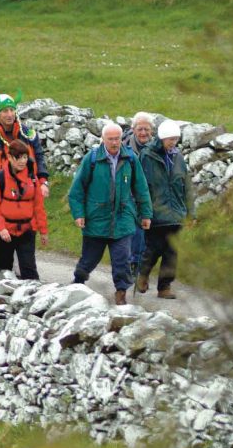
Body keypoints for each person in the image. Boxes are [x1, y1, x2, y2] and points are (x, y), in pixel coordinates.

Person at [68, 122, 152, 305]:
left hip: (123, 220)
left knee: (122, 260)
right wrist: (79, 214)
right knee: (88, 260)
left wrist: (146, 215)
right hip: (96, 219)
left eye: (117, 139)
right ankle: (77, 284)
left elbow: (141, 188)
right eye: (111, 139)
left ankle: (121, 293)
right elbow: (76, 191)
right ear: (103, 139)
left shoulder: (130, 159)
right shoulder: (91, 160)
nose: (115, 143)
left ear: (122, 139)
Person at [137, 118, 195, 300]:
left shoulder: (178, 158)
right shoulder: (147, 156)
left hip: (176, 213)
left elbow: (187, 186)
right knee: (153, 249)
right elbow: (141, 186)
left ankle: (164, 287)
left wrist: (191, 213)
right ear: (162, 138)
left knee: (172, 252)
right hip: (155, 213)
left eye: (176, 139)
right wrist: (143, 212)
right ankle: (143, 275)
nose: (173, 143)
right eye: (170, 139)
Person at [0, 90, 49, 217]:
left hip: (27, 197)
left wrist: (43, 182)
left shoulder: (28, 134)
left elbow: (39, 158)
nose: (9, 114)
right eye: (5, 111)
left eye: (12, 110)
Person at [0, 138, 48, 280]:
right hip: (3, 233)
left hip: (26, 231)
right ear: (9, 157)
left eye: (25, 157)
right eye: (18, 157)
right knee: (1, 274)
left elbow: (38, 207)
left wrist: (43, 230)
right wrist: (1, 228)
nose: (22, 161)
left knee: (29, 272)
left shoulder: (32, 179)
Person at [123, 111, 154, 283]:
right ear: (133, 130)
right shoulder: (124, 148)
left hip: (151, 197)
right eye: (140, 129)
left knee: (148, 237)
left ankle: (140, 269)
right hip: (130, 199)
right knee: (135, 234)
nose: (143, 133)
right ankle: (133, 267)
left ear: (152, 131)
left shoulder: (156, 148)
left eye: (147, 129)